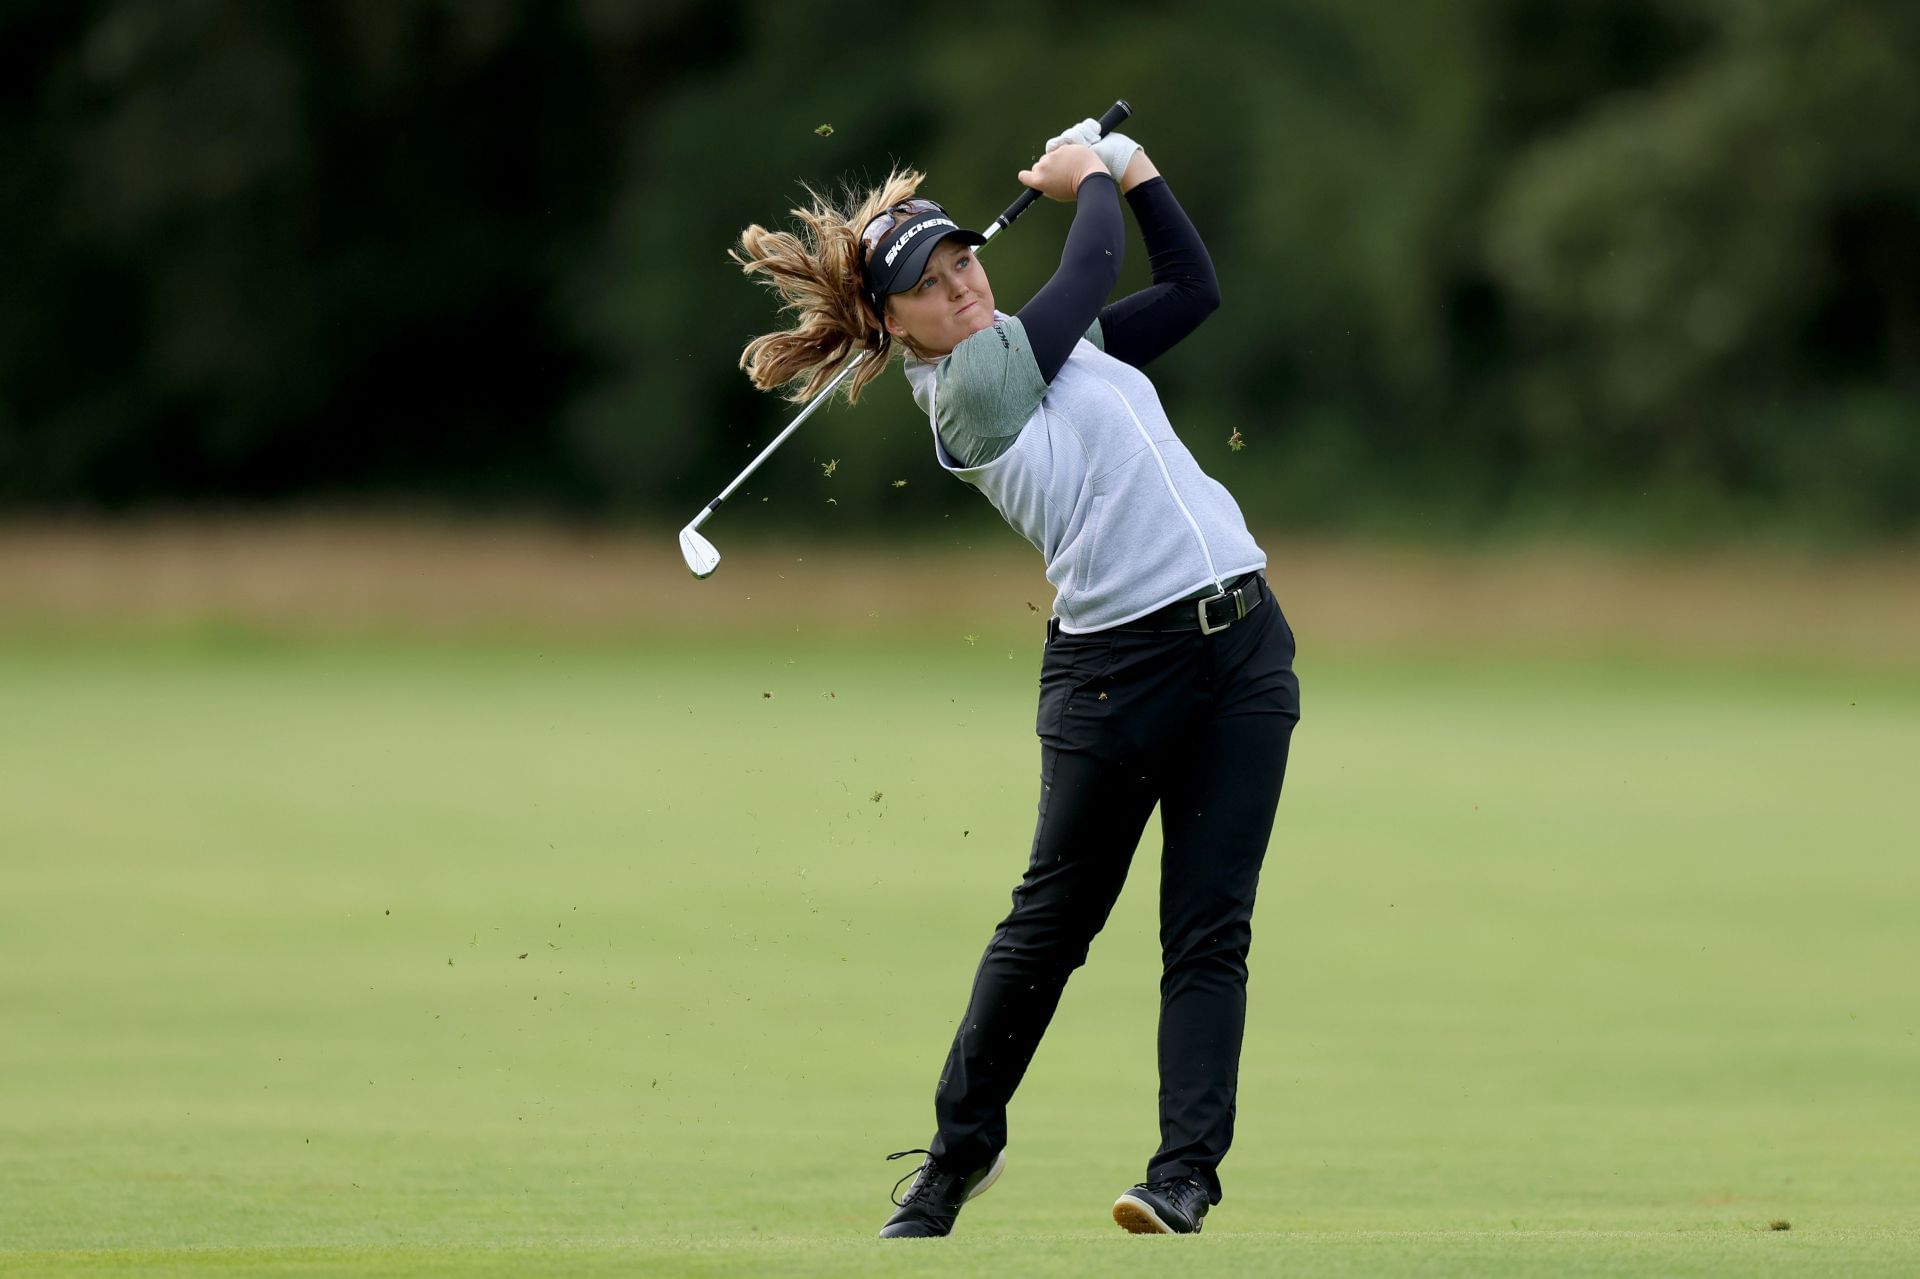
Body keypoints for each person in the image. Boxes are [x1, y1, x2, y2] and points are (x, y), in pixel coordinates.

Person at [731, 119, 1301, 1238]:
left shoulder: (1066, 352)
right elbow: (1088, 267)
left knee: (1209, 926)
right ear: (890, 325)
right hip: (1115, 676)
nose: (963, 290)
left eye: (966, 264)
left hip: (1243, 648)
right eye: (932, 289)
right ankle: (957, 1155)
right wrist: (1087, 178)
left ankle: (1182, 1175)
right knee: (1051, 926)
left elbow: (1190, 286)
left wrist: (1135, 174)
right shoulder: (973, 394)